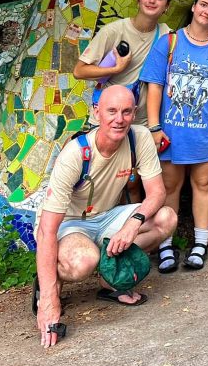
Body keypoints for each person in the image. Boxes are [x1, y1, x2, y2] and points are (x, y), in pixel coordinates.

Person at [34, 85, 177, 348]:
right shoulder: (75, 154)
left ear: (134, 113)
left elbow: (157, 193)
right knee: (84, 260)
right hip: (70, 223)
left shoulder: (139, 137)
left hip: (107, 217)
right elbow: (46, 231)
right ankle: (50, 281)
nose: (119, 119)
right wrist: (49, 300)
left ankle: (110, 277)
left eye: (126, 112)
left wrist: (133, 224)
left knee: (166, 218)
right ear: (96, 112)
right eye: (111, 111)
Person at [140, 0, 208, 272]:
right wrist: (154, 127)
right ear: (194, 6)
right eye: (204, 5)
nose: (207, 11)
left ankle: (200, 242)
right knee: (169, 186)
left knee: (204, 184)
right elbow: (154, 86)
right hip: (171, 132)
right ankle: (165, 243)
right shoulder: (170, 42)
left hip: (206, 131)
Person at [73, 0, 171, 126]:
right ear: (138, 1)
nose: (152, 0)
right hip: (109, 119)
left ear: (167, 7)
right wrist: (116, 69)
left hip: (141, 122)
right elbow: (79, 71)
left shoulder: (167, 35)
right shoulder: (113, 31)